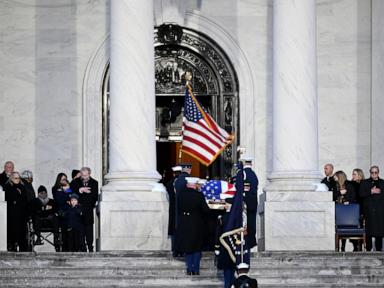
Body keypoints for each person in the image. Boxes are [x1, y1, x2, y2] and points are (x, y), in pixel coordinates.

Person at [175, 177, 210, 275]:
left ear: (187, 184)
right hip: (196, 223)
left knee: (188, 247)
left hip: (184, 222)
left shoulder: (181, 195)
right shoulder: (198, 195)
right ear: (194, 185)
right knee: (196, 247)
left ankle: (189, 268)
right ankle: (196, 269)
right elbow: (205, 209)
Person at [70, 167, 98, 252]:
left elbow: (94, 196)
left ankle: (90, 247)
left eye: (86, 175)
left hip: (88, 210)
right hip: (78, 210)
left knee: (89, 230)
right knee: (80, 231)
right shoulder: (75, 182)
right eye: (82, 175)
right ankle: (82, 248)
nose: (84, 177)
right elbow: (72, 191)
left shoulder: (94, 182)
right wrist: (80, 190)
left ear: (89, 174)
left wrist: (89, 205)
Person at [359, 166, 384, 251]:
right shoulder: (365, 182)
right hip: (369, 210)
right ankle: (368, 249)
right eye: (372, 172)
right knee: (369, 231)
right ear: (370, 173)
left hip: (380, 210)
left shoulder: (382, 182)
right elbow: (361, 194)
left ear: (378, 172)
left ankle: (379, 249)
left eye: (375, 172)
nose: (374, 174)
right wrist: (371, 191)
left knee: (380, 231)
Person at [29, 185, 60, 250]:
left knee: (55, 217)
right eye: (41, 193)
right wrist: (45, 209)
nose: (43, 194)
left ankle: (56, 238)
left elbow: (56, 209)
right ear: (39, 194)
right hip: (39, 223)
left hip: (50, 223)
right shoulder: (34, 201)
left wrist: (45, 210)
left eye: (45, 192)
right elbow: (33, 211)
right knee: (36, 217)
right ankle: (38, 238)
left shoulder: (51, 201)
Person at [4, 172, 28, 251]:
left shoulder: (22, 187)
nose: (17, 179)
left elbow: (24, 199)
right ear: (11, 178)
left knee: (22, 230)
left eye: (18, 178)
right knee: (12, 229)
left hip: (22, 212)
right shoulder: (8, 187)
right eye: (15, 178)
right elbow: (10, 198)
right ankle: (12, 245)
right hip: (12, 212)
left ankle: (22, 247)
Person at [333, 170, 356, 252]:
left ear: (340, 177)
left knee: (347, 227)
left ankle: (353, 246)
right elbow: (332, 195)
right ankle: (342, 247)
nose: (334, 178)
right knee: (340, 227)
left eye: (335, 176)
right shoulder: (335, 185)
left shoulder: (348, 185)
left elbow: (353, 197)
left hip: (348, 211)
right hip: (339, 210)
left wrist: (348, 201)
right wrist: (340, 192)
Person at [215, 198, 236, 288]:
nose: (225, 205)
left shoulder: (223, 217)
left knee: (228, 270)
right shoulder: (236, 217)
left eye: (226, 203)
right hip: (233, 245)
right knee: (230, 269)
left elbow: (218, 233)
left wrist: (217, 246)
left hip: (226, 245)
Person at [240, 157, 258, 249]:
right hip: (253, 202)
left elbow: (245, 189)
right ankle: (252, 241)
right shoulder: (254, 174)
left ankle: (247, 241)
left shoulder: (244, 173)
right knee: (251, 222)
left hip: (246, 203)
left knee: (245, 223)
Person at [165, 165, 182, 257]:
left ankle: (175, 250)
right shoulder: (184, 183)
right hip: (182, 210)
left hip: (173, 210)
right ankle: (181, 250)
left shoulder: (170, 183)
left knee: (175, 231)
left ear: (174, 173)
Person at [52, 173, 70, 251]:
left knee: (67, 232)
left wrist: (67, 191)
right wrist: (66, 193)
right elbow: (60, 200)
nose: (64, 181)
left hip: (68, 213)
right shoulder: (55, 188)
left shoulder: (69, 188)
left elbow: (72, 197)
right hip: (59, 213)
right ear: (59, 180)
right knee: (60, 232)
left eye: (65, 179)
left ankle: (67, 248)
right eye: (62, 179)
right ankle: (59, 246)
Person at [351, 168, 365, 251]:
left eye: (354, 174)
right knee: (353, 225)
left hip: (361, 207)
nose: (353, 175)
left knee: (360, 226)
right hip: (353, 208)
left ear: (359, 175)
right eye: (352, 174)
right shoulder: (351, 183)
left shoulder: (363, 183)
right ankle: (355, 245)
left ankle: (360, 244)